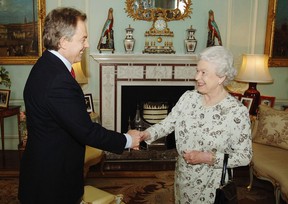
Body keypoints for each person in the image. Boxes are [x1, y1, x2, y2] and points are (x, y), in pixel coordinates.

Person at [18, 7, 141, 204]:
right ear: (63, 41)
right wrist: (127, 140)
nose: (87, 44)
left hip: (44, 172)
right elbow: (87, 131)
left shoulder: (45, 65)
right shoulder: (58, 79)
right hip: (52, 183)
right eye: (83, 39)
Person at [141, 46, 252, 203]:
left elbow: (244, 156)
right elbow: (168, 123)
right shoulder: (188, 98)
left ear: (221, 77)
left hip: (212, 185)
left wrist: (208, 157)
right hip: (183, 177)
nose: (197, 77)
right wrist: (146, 134)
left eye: (203, 72)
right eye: (197, 71)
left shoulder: (236, 112)